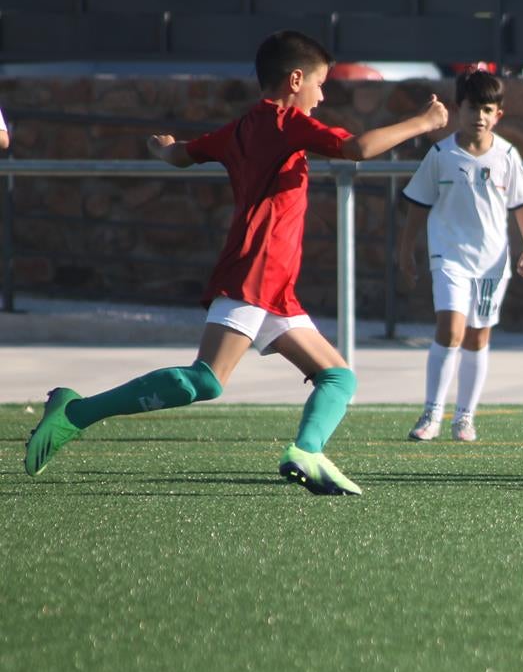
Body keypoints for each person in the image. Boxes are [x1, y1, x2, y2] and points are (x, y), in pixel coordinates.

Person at [23, 30, 450, 495]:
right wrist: (424, 122)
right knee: (205, 381)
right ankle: (75, 411)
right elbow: (358, 149)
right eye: (320, 84)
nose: (323, 95)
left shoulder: (243, 126)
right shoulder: (285, 122)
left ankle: (306, 451)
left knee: (338, 376)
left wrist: (163, 150)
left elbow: (184, 155)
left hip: (275, 288)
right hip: (254, 273)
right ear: (294, 80)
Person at [397, 68, 523, 442]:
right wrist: (406, 250)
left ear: (498, 115)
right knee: (451, 330)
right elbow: (417, 205)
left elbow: (522, 204)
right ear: (459, 108)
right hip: (449, 257)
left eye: (487, 109)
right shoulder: (441, 155)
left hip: (492, 262)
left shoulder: (507, 155)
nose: (479, 116)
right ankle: (431, 414)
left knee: (477, 338)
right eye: (473, 107)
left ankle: (465, 417)